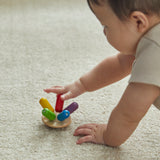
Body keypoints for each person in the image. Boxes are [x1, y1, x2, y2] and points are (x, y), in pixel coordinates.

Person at [44, 0, 160, 147]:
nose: (104, 32)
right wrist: (81, 84)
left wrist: (108, 136)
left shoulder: (154, 54)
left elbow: (129, 112)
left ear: (138, 21)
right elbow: (120, 63)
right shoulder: (150, 36)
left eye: (106, 26)